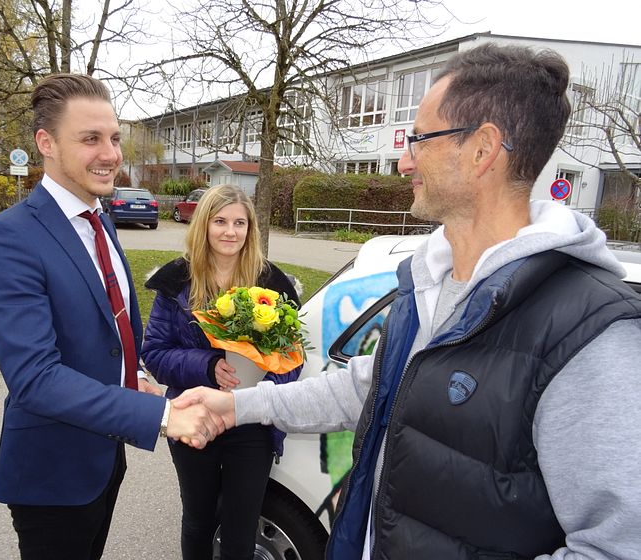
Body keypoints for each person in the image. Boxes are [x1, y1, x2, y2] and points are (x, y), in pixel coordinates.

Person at [173, 44, 641, 559]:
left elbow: (616, 546)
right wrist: (238, 405)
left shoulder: (592, 334)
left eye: (419, 140)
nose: (403, 161)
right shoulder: (428, 286)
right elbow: (366, 391)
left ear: (482, 149)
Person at [0, 73, 224, 560]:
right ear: (46, 143)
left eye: (113, 138)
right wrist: (165, 415)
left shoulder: (100, 218)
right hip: (52, 474)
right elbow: (35, 378)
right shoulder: (7, 238)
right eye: (90, 139)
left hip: (105, 459)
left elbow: (110, 329)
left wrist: (137, 377)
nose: (110, 154)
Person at [141, 184, 302, 560]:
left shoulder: (272, 285)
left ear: (250, 230)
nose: (230, 231)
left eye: (239, 223)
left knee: (240, 525)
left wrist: (258, 397)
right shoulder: (176, 283)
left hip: (251, 425)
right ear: (204, 226)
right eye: (220, 221)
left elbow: (292, 360)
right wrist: (207, 365)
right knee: (198, 519)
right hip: (193, 418)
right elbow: (155, 353)